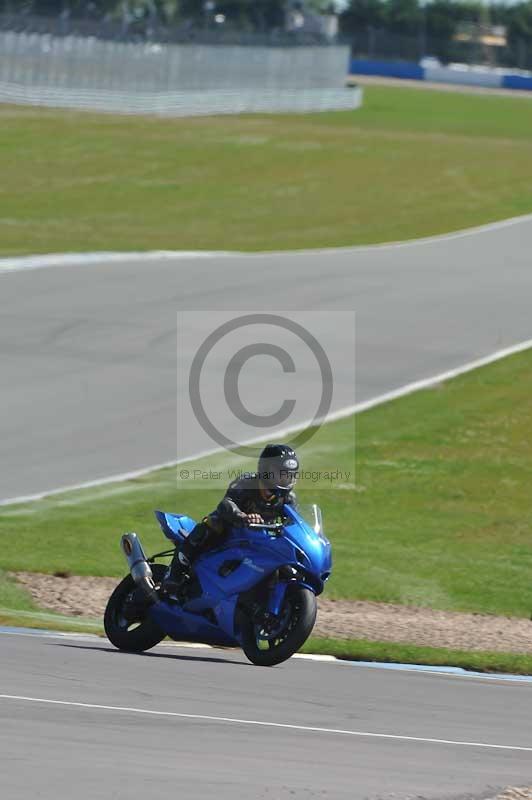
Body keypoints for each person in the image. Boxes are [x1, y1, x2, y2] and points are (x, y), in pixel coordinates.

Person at [163, 443, 299, 594]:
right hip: (231, 530)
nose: (285, 479)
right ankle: (174, 574)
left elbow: (294, 524)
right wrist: (243, 516)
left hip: (259, 540)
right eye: (280, 474)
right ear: (265, 470)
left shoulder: (288, 499)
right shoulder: (247, 482)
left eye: (289, 475)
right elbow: (226, 503)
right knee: (212, 524)